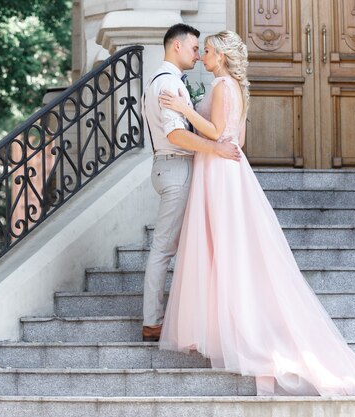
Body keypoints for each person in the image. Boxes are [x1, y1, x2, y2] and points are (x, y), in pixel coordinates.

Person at [157, 30, 355, 396]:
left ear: (222, 57)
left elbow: (214, 130)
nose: (203, 57)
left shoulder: (222, 86)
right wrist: (217, 139)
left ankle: (233, 329)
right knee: (230, 247)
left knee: (221, 246)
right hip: (228, 166)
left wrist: (183, 110)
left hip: (218, 171)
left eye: (207, 51)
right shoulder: (236, 87)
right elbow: (237, 140)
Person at [140, 24, 242, 342]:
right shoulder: (169, 85)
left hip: (171, 166)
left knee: (198, 246)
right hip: (176, 167)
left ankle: (205, 317)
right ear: (177, 47)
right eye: (195, 48)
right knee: (165, 249)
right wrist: (215, 147)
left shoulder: (165, 81)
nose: (198, 55)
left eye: (203, 50)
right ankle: (153, 321)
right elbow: (175, 134)